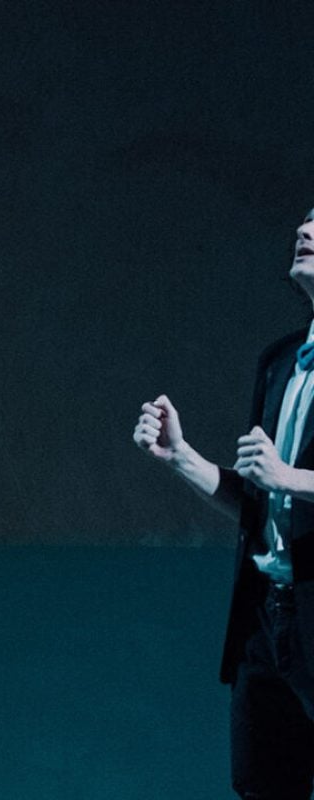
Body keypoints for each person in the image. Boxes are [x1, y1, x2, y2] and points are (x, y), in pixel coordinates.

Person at [135, 207, 314, 799]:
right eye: (305, 222)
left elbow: (283, 482)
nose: (304, 230)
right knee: (262, 786)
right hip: (265, 620)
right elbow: (260, 508)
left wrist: (290, 477)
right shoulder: (280, 362)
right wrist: (182, 456)